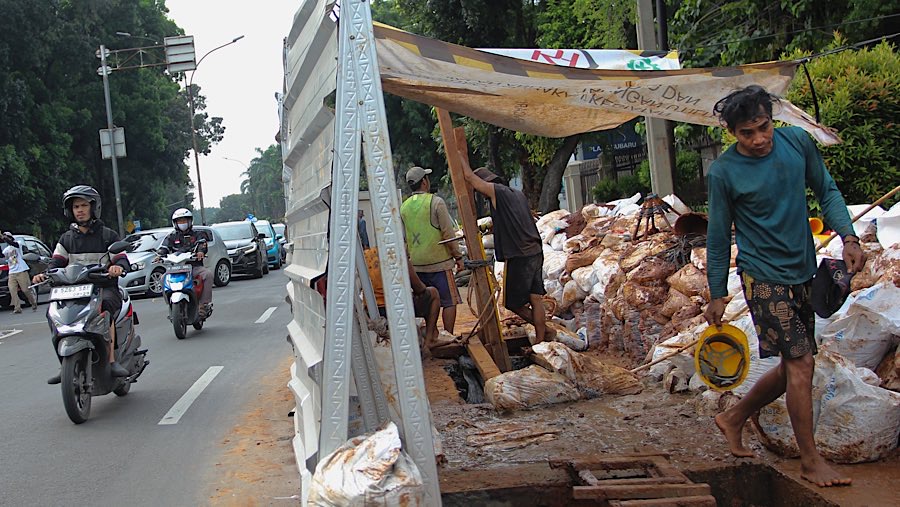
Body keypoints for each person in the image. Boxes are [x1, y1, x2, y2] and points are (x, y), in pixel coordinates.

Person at [703, 85, 863, 488]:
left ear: (772, 119)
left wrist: (849, 236)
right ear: (731, 132)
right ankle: (811, 461)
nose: (758, 140)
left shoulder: (797, 143)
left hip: (803, 269)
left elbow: (826, 190)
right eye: (747, 133)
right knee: (802, 364)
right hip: (762, 276)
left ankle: (733, 417)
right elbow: (719, 237)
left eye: (763, 128)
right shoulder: (724, 173)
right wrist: (717, 292)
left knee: (796, 359)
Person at [35, 185, 131, 383]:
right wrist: (43, 275)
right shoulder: (66, 239)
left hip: (103, 288)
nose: (79, 210)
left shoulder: (107, 235)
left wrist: (117, 267)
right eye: (75, 206)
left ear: (93, 207)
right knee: (52, 314)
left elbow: (121, 259)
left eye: (83, 205)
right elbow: (56, 263)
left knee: (105, 308)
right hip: (73, 291)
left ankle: (112, 361)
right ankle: (65, 363)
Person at [460, 160, 554, 343]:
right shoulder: (516, 194)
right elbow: (518, 219)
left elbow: (470, 177)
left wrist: (460, 157)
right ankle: (542, 340)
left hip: (521, 255)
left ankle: (546, 331)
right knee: (535, 298)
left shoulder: (497, 193)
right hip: (535, 250)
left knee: (512, 303)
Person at [400, 166, 464, 336]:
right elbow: (448, 233)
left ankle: (432, 334)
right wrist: (458, 256)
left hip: (417, 265)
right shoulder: (436, 202)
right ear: (424, 182)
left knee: (428, 301)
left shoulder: (403, 207)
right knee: (449, 301)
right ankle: (448, 335)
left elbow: (404, 238)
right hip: (440, 263)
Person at [157, 208, 214, 318]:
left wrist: (200, 252)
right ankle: (171, 305)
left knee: (208, 274)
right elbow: (163, 248)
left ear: (190, 221)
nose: (182, 223)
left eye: (184, 221)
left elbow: (202, 244)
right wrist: (159, 255)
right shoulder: (171, 237)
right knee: (163, 278)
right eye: (179, 221)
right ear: (175, 223)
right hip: (175, 269)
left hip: (194, 267)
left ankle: (203, 304)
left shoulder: (198, 234)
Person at [1, 232, 38, 313]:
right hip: (12, 272)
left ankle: (33, 302)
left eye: (8, 237)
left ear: (11, 238)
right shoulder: (6, 250)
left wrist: (5, 238)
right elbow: (2, 256)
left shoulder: (18, 244)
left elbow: (14, 244)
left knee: (25, 290)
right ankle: (17, 308)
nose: (6, 239)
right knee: (12, 291)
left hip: (21, 270)